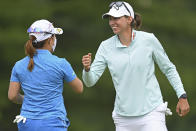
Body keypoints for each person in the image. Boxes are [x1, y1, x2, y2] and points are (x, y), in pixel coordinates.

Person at [82, 1, 190, 131]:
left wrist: (182, 95)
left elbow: (169, 69)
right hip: (123, 119)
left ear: (129, 19)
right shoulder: (105, 46)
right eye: (110, 19)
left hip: (152, 113)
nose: (112, 22)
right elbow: (90, 81)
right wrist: (87, 69)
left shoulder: (148, 40)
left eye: (116, 18)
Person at [8, 19, 83, 131]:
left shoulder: (18, 65)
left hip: (26, 122)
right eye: (54, 36)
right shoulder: (61, 63)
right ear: (50, 39)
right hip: (53, 123)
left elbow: (12, 96)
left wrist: (30, 99)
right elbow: (79, 88)